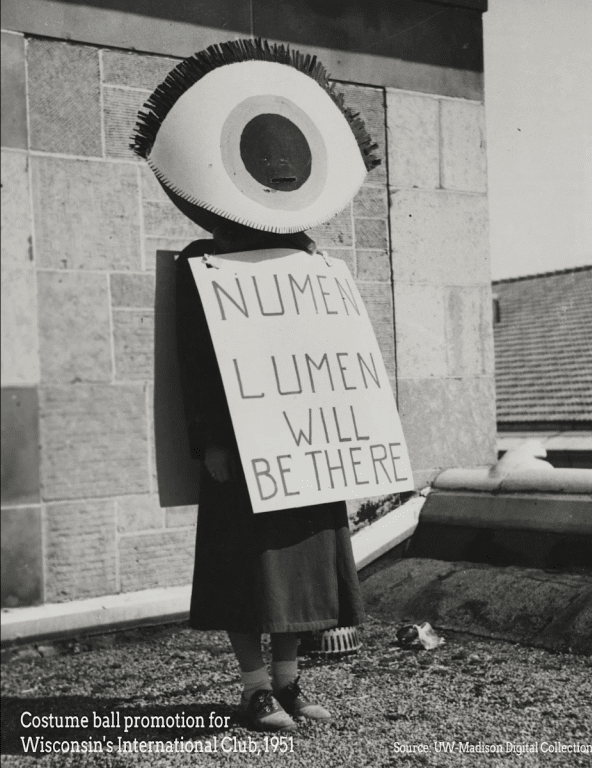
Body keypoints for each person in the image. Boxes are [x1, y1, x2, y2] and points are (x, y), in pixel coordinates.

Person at [131, 38, 382, 732]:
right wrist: (208, 440)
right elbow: (194, 360)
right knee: (246, 569)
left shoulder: (311, 261)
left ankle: (290, 682)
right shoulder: (201, 264)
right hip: (240, 448)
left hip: (301, 442)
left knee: (299, 567)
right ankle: (253, 691)